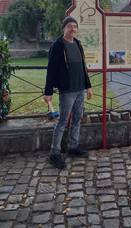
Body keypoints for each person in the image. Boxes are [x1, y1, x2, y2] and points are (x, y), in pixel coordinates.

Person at [44, 16, 93, 169]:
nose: (72, 29)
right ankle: (54, 154)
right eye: (69, 26)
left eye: (74, 26)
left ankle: (73, 147)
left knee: (77, 118)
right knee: (62, 121)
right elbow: (51, 70)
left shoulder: (77, 43)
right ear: (64, 28)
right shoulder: (57, 46)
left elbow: (83, 67)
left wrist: (88, 86)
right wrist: (48, 91)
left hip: (79, 89)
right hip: (67, 90)